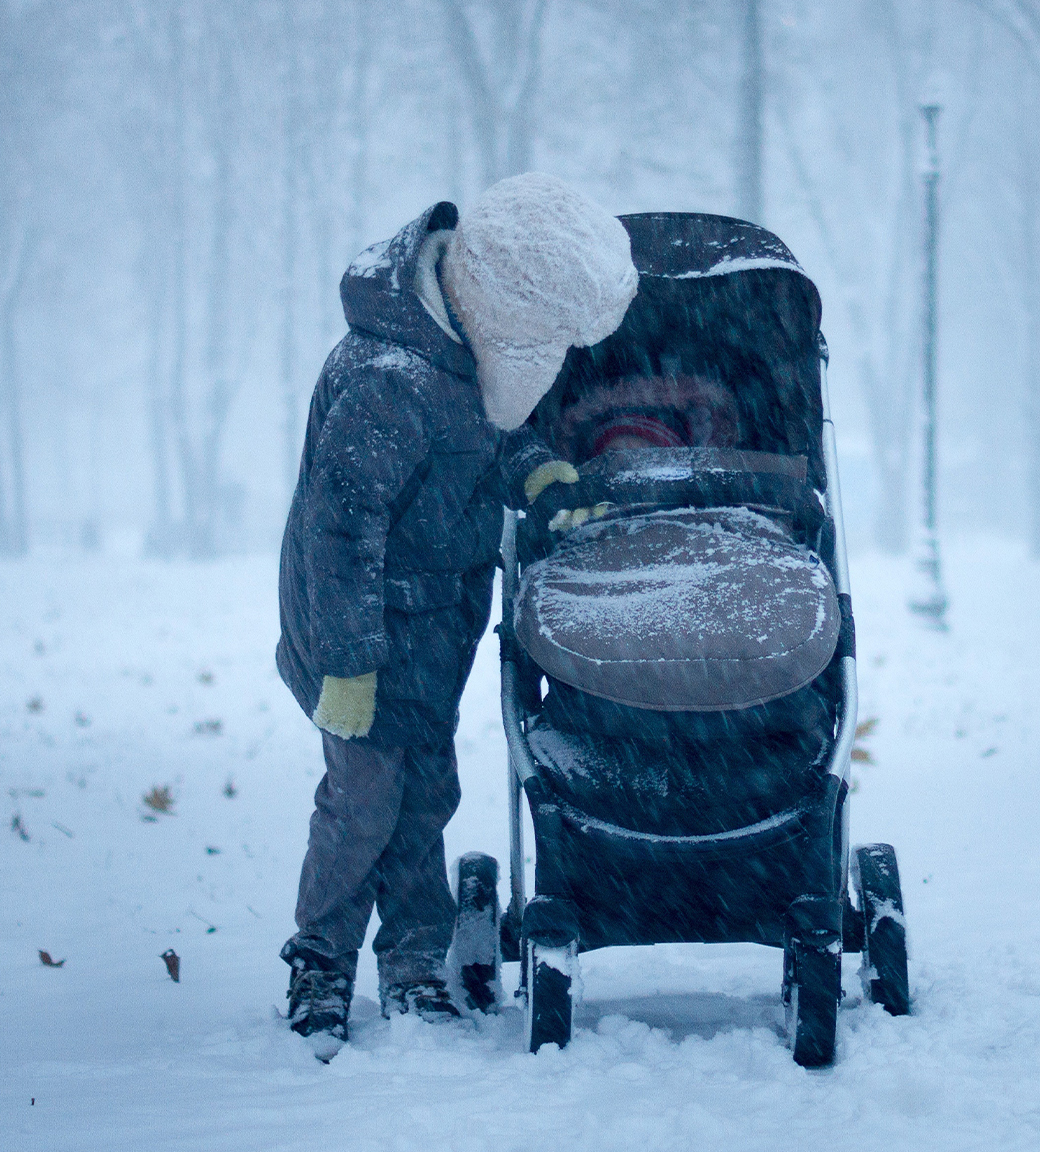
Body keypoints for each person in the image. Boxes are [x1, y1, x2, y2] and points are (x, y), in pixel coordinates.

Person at [274, 173, 638, 1056]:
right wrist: (349, 663)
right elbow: (341, 526)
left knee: (426, 794)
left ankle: (409, 961)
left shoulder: (463, 350)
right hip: (354, 629)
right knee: (363, 800)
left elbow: (491, 436)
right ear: (499, 306)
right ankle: (320, 961)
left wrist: (538, 469)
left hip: (434, 626)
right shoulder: (386, 381)